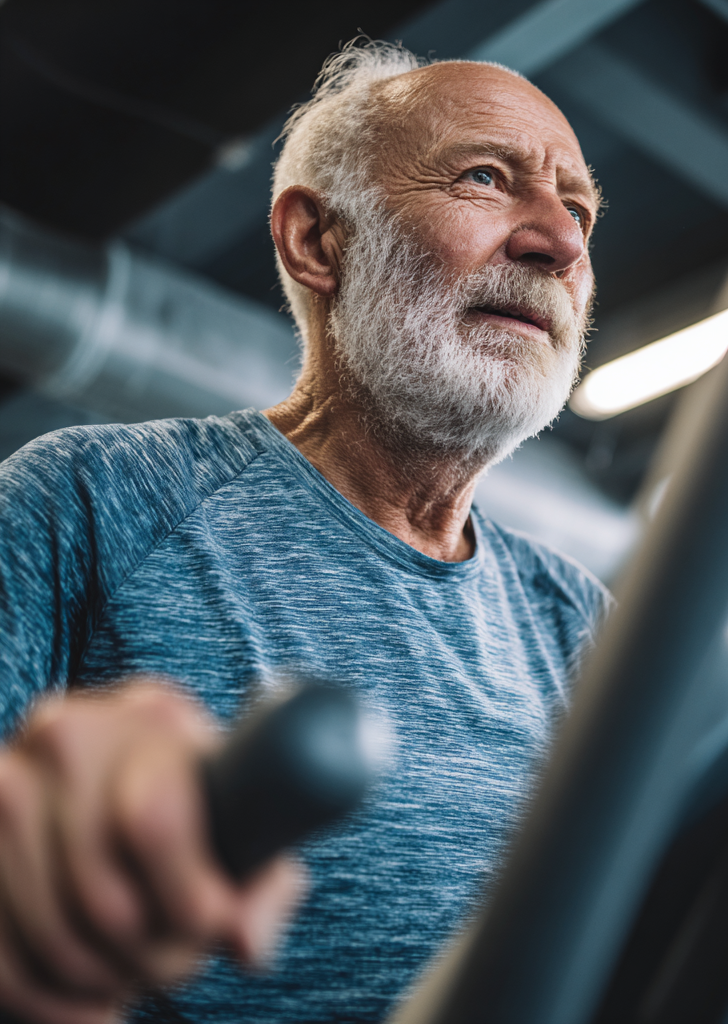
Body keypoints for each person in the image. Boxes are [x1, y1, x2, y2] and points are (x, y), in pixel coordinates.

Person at [0, 38, 610, 1024]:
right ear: (319, 244)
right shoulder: (92, 497)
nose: (560, 242)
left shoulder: (589, 624)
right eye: (487, 179)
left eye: (577, 208)